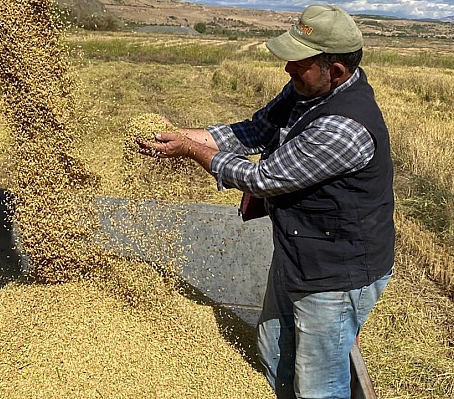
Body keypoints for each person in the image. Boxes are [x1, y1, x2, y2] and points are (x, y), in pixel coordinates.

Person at [138, 5, 394, 399]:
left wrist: (191, 150)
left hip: (335, 272)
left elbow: (263, 178)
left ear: (336, 70)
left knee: (319, 387)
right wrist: (179, 134)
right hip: (300, 251)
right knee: (273, 350)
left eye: (299, 62)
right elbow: (254, 131)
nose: (288, 69)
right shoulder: (306, 88)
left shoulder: (344, 126)